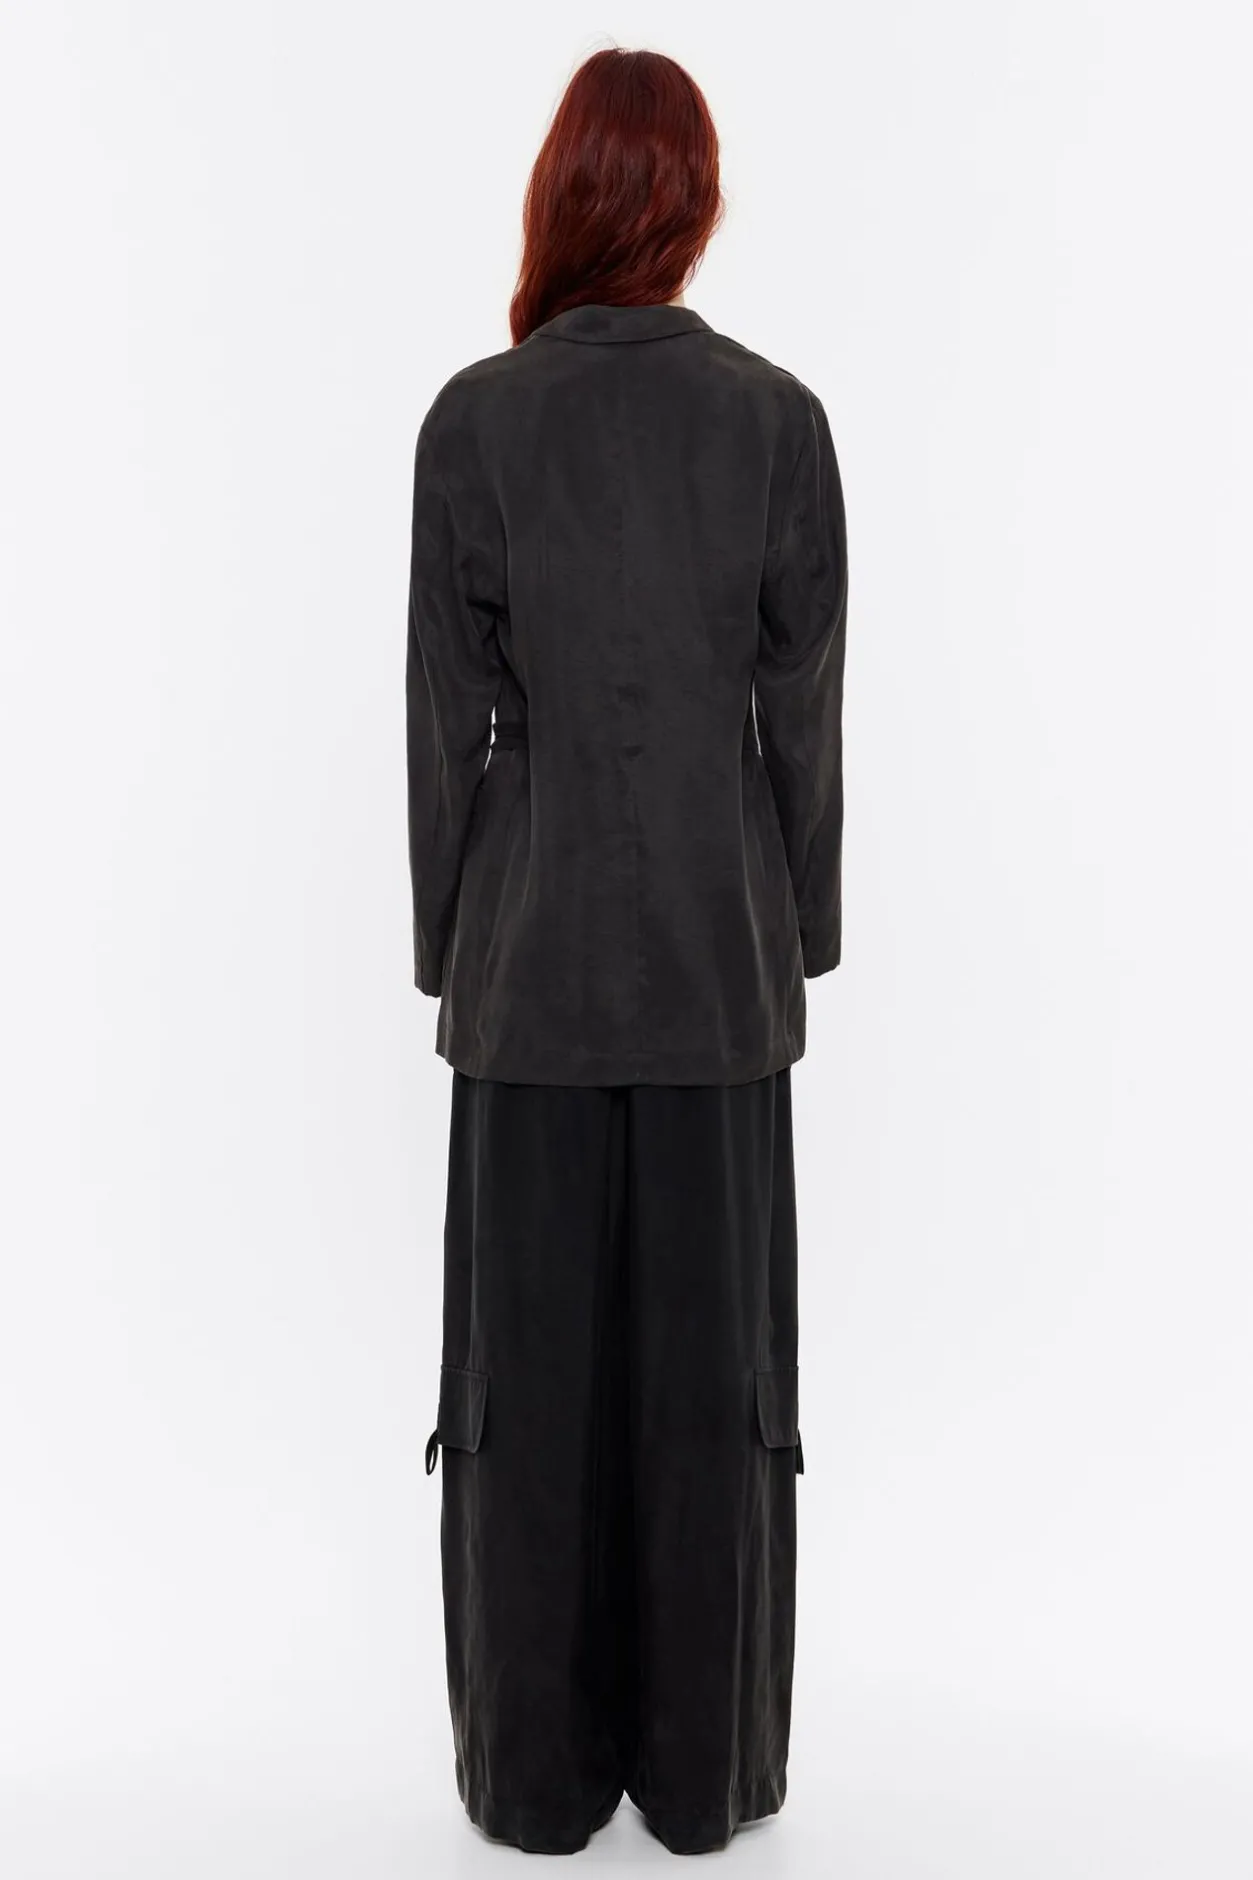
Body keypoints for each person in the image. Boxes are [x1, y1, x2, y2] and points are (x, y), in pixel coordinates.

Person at [405, 45, 848, 1857]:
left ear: (563, 194)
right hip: (719, 975)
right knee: (712, 1394)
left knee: (526, 1392)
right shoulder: (777, 423)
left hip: (529, 980)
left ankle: (529, 1777)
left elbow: (444, 725)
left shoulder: (476, 422)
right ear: (697, 202)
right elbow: (802, 717)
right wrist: (797, 929)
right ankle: (704, 1775)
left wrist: (453, 944)